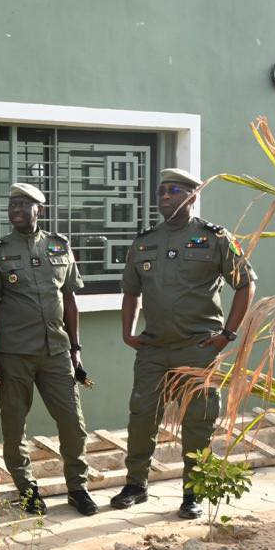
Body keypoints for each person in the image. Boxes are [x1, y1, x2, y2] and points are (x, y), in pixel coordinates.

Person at [110, 168, 256, 519]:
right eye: (161, 192)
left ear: (192, 196)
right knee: (142, 416)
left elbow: (246, 284)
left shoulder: (215, 238)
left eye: (173, 191)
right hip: (154, 348)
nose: (164, 197)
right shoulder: (145, 241)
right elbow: (130, 291)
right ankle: (136, 484)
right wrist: (128, 333)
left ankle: (194, 491)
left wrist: (227, 334)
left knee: (198, 421)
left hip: (198, 348)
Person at [0, 183, 97, 516]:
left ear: (38, 209)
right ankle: (27, 489)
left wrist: (76, 348)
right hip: (14, 354)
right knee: (15, 426)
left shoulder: (60, 247)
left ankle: (77, 487)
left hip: (56, 351)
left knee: (73, 423)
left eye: (22, 204)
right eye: (11, 204)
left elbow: (69, 300)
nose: (14, 209)